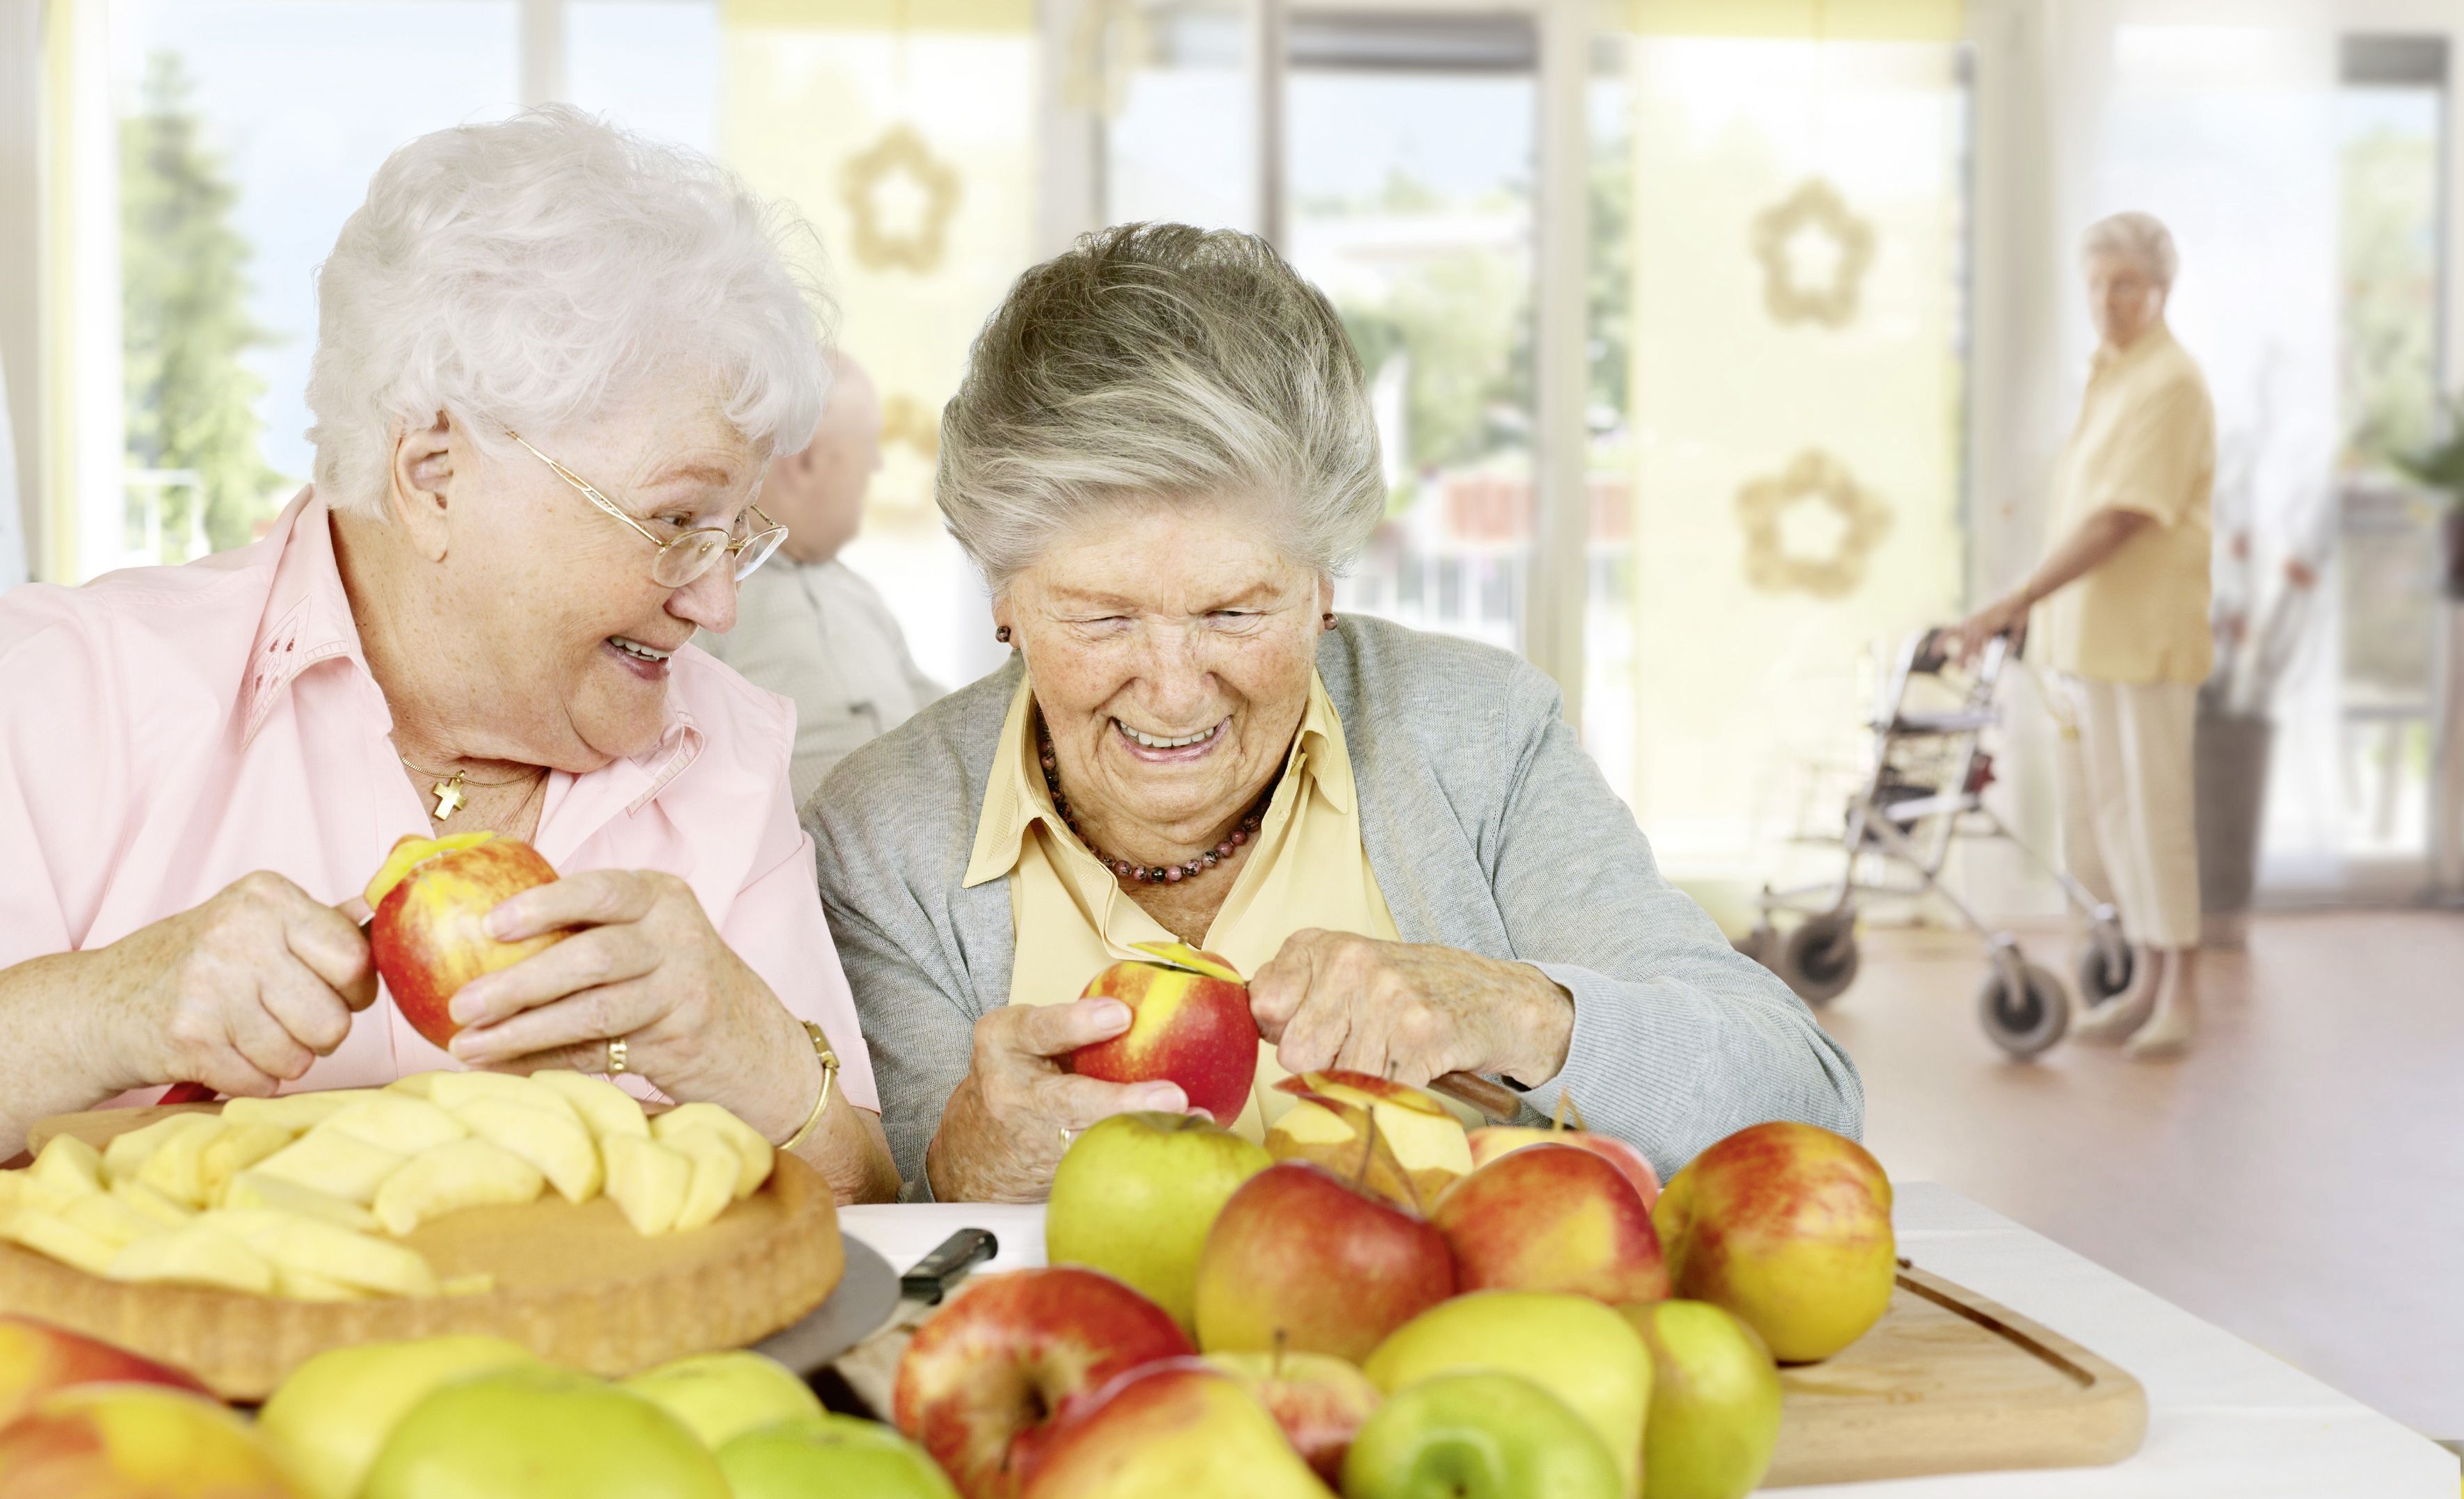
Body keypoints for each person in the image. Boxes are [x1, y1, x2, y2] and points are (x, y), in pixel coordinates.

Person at [807, 223, 1862, 1201]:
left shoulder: (1478, 738)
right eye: (1099, 616)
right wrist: (958, 1161)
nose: (1172, 687)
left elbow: (1805, 1105)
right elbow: (878, 1226)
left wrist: (1517, 1010)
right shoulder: (883, 832)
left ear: (1324, 583)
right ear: (1003, 597)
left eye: (1234, 610)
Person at [0, 108, 900, 1203]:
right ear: (435, 476)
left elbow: (863, 1217)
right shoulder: (68, 689)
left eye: (735, 534)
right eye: (675, 524)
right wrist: (106, 1008)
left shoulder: (725, 754)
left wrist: (749, 1051)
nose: (715, 600)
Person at [1950, 211, 2213, 1059]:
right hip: (2091, 638)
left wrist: (2015, 596)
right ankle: (2142, 981)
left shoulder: (2170, 382)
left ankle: (2184, 993)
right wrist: (2035, 606)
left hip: (2146, 637)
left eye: (2127, 283)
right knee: (2111, 818)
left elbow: (2122, 519)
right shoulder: (2112, 375)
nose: (2109, 299)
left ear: (2162, 288)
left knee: (2156, 814)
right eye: (2097, 284)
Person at [695, 354, 944, 807]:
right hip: (813, 852)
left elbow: (948, 719)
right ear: (807, 462)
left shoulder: (858, 594)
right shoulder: (706, 597)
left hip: (929, 835)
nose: (876, 467)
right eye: (869, 446)